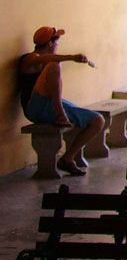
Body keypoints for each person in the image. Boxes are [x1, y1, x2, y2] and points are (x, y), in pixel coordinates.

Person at [17, 27, 103, 176]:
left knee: (98, 121)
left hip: (50, 104)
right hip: (35, 108)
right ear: (50, 43)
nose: (58, 45)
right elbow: (42, 59)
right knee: (54, 64)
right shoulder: (29, 59)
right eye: (57, 41)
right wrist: (71, 57)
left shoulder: (48, 60)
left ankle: (67, 159)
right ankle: (60, 114)